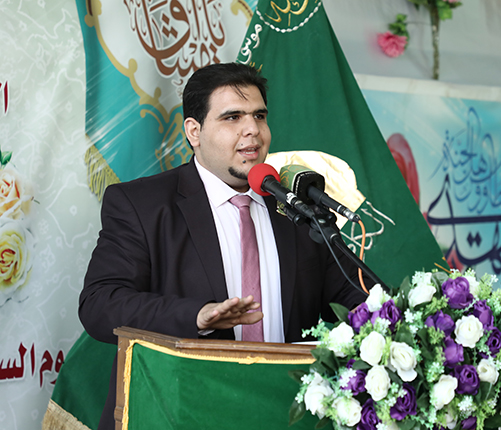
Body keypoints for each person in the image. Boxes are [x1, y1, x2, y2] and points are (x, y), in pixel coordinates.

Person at [79, 62, 370, 430]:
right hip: (178, 416)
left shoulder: (296, 209)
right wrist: (197, 316)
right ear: (194, 131)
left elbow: (354, 298)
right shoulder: (142, 205)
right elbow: (99, 304)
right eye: (233, 117)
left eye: (259, 116)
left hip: (281, 415)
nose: (253, 130)